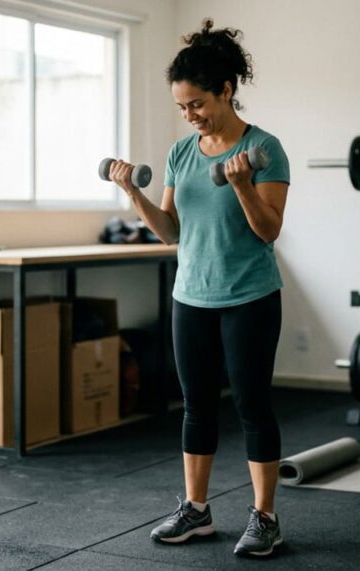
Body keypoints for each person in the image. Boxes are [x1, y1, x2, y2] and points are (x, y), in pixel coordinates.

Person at [106, 19, 290, 558]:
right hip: (191, 295)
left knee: (253, 406)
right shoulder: (182, 153)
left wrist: (240, 185)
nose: (189, 115)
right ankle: (197, 510)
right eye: (182, 107)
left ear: (226, 90)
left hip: (250, 296)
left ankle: (265, 517)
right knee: (195, 405)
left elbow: (269, 230)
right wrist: (131, 196)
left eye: (196, 104)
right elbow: (172, 232)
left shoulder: (265, 149)